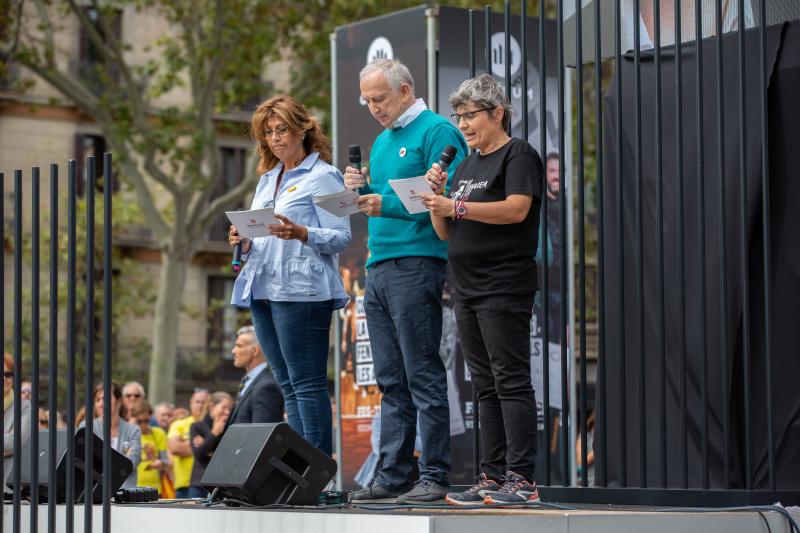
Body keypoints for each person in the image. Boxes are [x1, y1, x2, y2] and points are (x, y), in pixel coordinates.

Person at [345, 58, 467, 504]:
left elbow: (447, 198)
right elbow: (379, 199)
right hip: (379, 267)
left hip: (418, 262)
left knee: (422, 373)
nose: (373, 107)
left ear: (404, 90)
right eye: (367, 100)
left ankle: (434, 474)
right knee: (390, 378)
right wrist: (356, 190)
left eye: (379, 98)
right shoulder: (381, 141)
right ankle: (394, 473)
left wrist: (386, 205)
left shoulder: (438, 131)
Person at [420, 74, 543, 505]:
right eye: (459, 116)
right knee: (484, 384)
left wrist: (455, 204)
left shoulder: (518, 154)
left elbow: (516, 209)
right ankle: (490, 476)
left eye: (470, 115)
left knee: (510, 379)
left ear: (497, 113)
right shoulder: (465, 165)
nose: (464, 124)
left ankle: (522, 479)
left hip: (504, 284)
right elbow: (443, 232)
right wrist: (435, 201)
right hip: (466, 288)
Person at [228, 94, 351, 456]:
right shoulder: (266, 180)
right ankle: (301, 470)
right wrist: (243, 240)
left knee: (307, 382)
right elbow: (262, 233)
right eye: (268, 132)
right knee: (287, 383)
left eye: (283, 129)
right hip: (262, 286)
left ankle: (318, 475)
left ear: (304, 129)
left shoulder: (326, 175)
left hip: (302, 290)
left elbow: (343, 236)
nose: (276, 138)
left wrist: (302, 233)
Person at [227, 325, 283, 426]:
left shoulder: (267, 387)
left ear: (255, 351)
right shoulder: (250, 381)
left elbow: (260, 436)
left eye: (239, 346)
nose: (233, 351)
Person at [89, 381, 142, 488]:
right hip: (95, 494)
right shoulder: (87, 427)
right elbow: (87, 463)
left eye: (105, 399)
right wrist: (123, 459)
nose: (100, 404)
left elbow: (132, 463)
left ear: (119, 401)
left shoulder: (133, 430)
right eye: (97, 400)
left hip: (125, 495)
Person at [189, 392, 233, 497]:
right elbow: (199, 454)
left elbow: (227, 455)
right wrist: (214, 433)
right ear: (212, 405)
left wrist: (206, 443)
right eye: (224, 408)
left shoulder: (230, 428)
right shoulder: (197, 426)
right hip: (199, 484)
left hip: (219, 484)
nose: (227, 412)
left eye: (230, 409)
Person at [168, 388, 208, 498]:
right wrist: (207, 445)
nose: (200, 405)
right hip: (183, 483)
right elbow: (175, 448)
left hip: (207, 483)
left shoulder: (213, 425)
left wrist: (186, 444)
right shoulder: (179, 424)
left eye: (203, 402)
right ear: (191, 403)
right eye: (197, 402)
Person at [3, 353, 31, 492]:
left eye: (7, 374)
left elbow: (18, 441)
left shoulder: (25, 406)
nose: (4, 378)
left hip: (11, 485)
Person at [131, 400, 171, 496]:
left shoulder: (158, 433)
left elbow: (167, 462)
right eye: (139, 421)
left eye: (146, 421)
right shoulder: (130, 434)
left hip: (155, 489)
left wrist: (161, 463)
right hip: (133, 488)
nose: (143, 425)